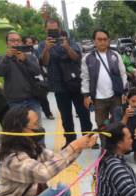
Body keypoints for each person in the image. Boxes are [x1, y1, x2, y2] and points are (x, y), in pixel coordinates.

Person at [38, 18, 94, 150]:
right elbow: (44, 63)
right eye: (50, 30)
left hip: (74, 83)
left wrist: (67, 47)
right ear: (45, 30)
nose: (53, 33)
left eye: (55, 30)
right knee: (66, 116)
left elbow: (76, 58)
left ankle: (88, 138)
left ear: (59, 29)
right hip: (58, 85)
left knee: (84, 113)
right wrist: (46, 49)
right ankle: (71, 140)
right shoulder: (42, 45)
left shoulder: (68, 41)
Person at [0, 32, 44, 146]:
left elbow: (37, 71)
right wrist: (7, 57)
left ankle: (41, 149)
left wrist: (25, 59)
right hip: (14, 101)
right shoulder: (2, 58)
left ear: (21, 42)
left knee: (36, 127)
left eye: (18, 40)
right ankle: (23, 151)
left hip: (32, 99)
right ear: (7, 43)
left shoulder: (29, 56)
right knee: (18, 129)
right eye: (12, 40)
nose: (15, 42)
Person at [81, 29, 128, 132]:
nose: (102, 42)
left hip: (115, 96)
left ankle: (116, 147)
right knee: (102, 125)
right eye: (99, 39)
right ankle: (105, 147)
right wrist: (86, 96)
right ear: (94, 41)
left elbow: (122, 75)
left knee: (117, 123)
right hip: (98, 99)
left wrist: (125, 92)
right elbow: (85, 78)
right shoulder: (88, 58)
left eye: (105, 39)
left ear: (109, 41)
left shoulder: (115, 55)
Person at [22, 35, 55, 121]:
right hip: (29, 81)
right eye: (28, 43)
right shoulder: (21, 55)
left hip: (39, 78)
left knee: (43, 96)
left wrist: (44, 75)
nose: (31, 45)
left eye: (31, 43)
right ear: (23, 44)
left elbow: (40, 64)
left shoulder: (35, 52)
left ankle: (48, 113)